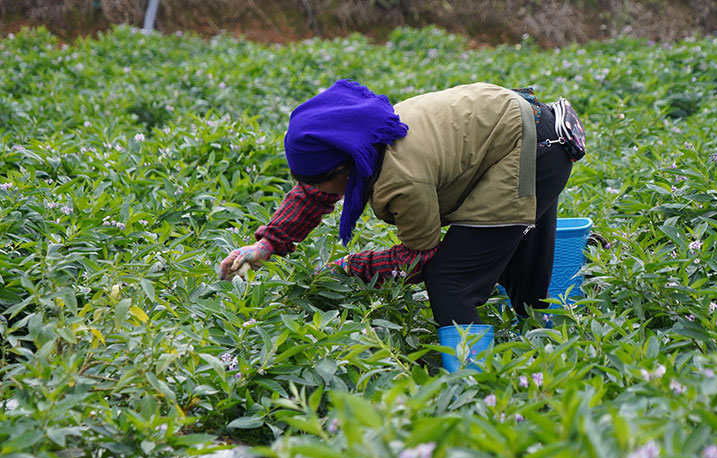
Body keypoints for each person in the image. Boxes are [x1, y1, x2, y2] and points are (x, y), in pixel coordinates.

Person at [218, 80, 581, 327]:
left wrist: (344, 270)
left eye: (323, 182)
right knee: (516, 269)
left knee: (451, 280)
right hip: (529, 129)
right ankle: (542, 343)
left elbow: (418, 257)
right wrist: (266, 244)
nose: (326, 193)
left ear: (345, 167)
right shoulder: (367, 138)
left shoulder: (401, 178)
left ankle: (477, 387)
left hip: (532, 150)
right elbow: (315, 192)